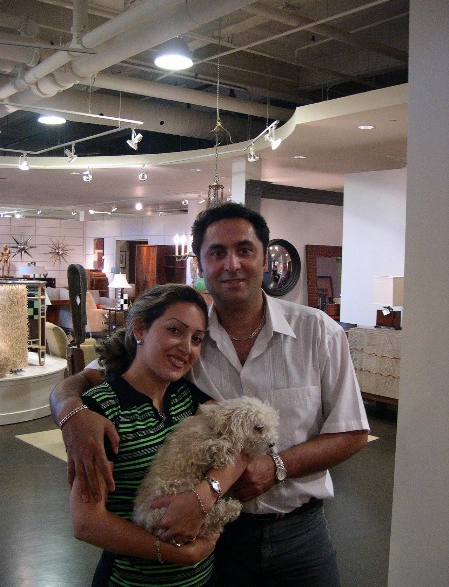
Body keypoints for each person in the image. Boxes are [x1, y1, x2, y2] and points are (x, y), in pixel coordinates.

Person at [51, 203, 370, 587]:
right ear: (200, 265)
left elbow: (352, 432)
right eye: (217, 253)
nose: (232, 264)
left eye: (244, 250)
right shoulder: (187, 334)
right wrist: (71, 412)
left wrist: (276, 466)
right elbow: (92, 375)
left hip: (299, 534)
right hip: (215, 538)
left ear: (264, 258)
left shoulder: (318, 333)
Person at [67, 283, 247, 587]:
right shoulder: (103, 409)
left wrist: (204, 495)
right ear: (140, 329)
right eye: (175, 331)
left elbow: (241, 443)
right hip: (131, 581)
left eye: (196, 339)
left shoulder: (186, 396)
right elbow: (87, 521)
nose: (187, 348)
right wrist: (176, 554)